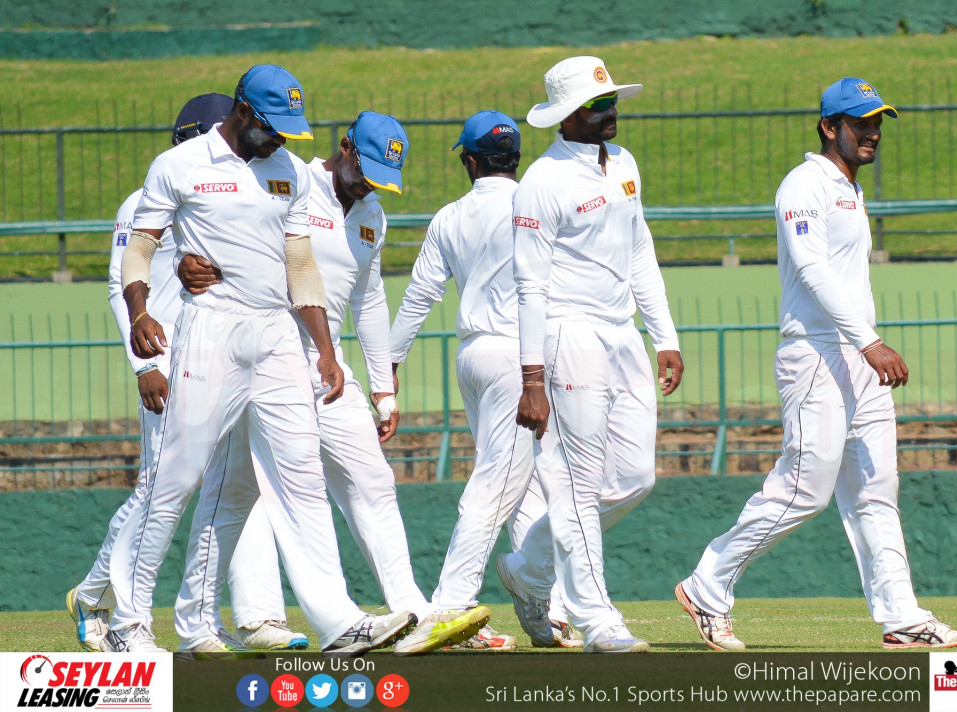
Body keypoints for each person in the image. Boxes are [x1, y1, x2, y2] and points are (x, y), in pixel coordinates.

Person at [115, 64, 415, 655]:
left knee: (301, 478)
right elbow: (141, 248)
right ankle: (129, 625)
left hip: (279, 336)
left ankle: (338, 622)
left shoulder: (288, 174)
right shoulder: (180, 165)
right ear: (244, 111)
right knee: (174, 479)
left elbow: (301, 267)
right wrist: (142, 313)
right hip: (210, 331)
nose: (283, 140)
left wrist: (327, 352)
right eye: (275, 127)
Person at [675, 78, 957, 651]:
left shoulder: (849, 189)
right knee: (802, 491)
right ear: (828, 127)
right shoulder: (802, 185)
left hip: (858, 358)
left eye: (877, 122)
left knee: (875, 489)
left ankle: (903, 619)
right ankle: (706, 585)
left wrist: (865, 347)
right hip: (816, 353)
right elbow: (812, 271)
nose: (872, 132)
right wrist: (868, 341)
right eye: (860, 122)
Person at [176, 111, 491, 656]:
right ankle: (198, 623)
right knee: (238, 495)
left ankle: (412, 613)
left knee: (373, 482)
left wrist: (382, 384)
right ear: (345, 146)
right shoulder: (290, 179)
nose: (368, 185)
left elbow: (367, 298)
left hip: (329, 367)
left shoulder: (373, 214)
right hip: (265, 355)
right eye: (363, 170)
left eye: (380, 180)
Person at [65, 92, 307, 654]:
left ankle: (211, 619)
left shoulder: (244, 189)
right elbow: (119, 283)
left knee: (225, 487)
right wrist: (145, 364)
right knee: (158, 487)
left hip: (220, 354)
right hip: (169, 363)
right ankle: (105, 598)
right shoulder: (149, 197)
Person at [512, 56, 684, 653]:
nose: (612, 112)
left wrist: (664, 336)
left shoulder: (626, 163)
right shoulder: (541, 181)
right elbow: (529, 286)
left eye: (612, 101)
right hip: (568, 334)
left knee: (636, 476)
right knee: (578, 483)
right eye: (599, 104)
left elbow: (640, 250)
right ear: (568, 115)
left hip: (623, 334)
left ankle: (529, 566)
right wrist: (532, 378)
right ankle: (597, 620)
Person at [390, 110, 535, 651]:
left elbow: (419, 295)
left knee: (521, 483)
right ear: (516, 158)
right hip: (523, 361)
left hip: (473, 357)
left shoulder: (449, 215)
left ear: (469, 161)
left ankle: (545, 609)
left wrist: (388, 369)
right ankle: (450, 608)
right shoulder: (534, 204)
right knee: (499, 482)